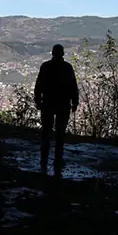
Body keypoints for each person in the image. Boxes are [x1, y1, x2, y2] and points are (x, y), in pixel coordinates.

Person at [34, 44, 79, 174]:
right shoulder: (67, 67)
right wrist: (75, 102)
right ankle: (58, 158)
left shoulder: (45, 66)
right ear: (63, 53)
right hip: (63, 104)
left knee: (46, 131)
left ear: (52, 53)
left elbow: (38, 85)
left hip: (48, 103)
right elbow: (73, 86)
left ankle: (44, 158)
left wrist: (38, 100)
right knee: (60, 133)